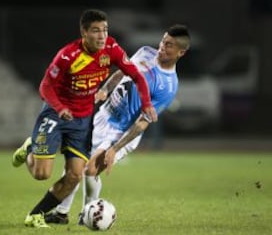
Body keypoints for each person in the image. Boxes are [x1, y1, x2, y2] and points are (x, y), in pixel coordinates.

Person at [11, 9, 157, 228]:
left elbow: (136, 75)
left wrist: (146, 104)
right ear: (84, 32)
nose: (102, 36)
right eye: (96, 31)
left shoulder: (111, 49)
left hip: (82, 120)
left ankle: (36, 215)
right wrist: (60, 108)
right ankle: (30, 148)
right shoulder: (68, 55)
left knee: (75, 175)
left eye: (105, 30)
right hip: (56, 113)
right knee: (42, 174)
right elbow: (45, 86)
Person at [44, 24, 191, 225]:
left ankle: (87, 214)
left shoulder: (168, 86)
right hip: (103, 117)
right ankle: (61, 213)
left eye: (169, 45)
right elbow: (122, 72)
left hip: (122, 131)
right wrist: (105, 90)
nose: (162, 47)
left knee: (90, 169)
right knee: (74, 163)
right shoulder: (146, 52)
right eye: (163, 41)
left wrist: (115, 148)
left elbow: (142, 123)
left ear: (180, 52)